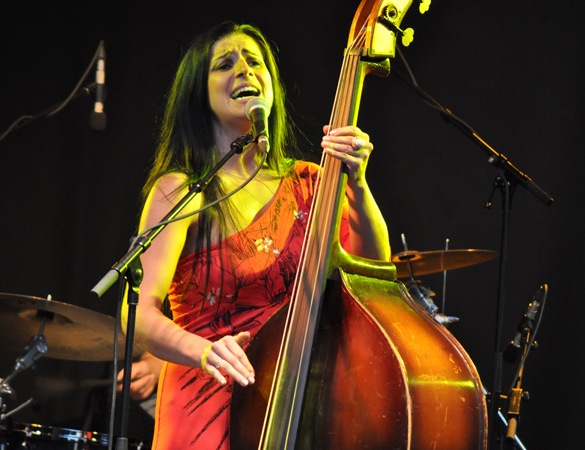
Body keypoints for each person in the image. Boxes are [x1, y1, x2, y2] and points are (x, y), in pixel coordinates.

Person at [123, 21, 391, 449]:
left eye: (255, 61)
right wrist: (203, 351)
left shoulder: (312, 182)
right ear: (199, 93)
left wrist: (357, 183)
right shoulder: (183, 190)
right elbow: (137, 313)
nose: (244, 70)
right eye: (224, 64)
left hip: (297, 400)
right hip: (206, 400)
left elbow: (373, 274)